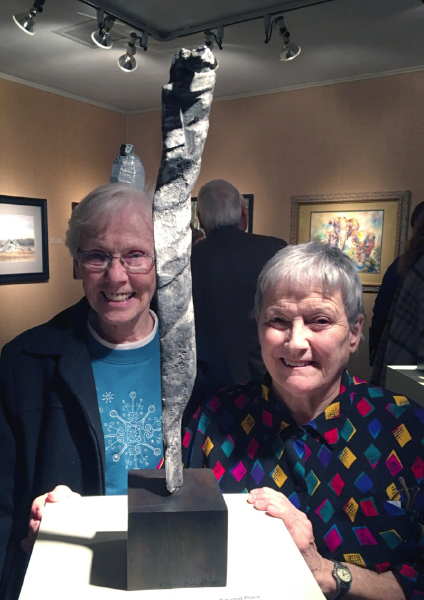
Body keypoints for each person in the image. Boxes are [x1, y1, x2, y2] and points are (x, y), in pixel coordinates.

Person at [184, 241, 424, 599]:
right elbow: (178, 539)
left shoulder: (405, 428)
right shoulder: (214, 420)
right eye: (278, 320)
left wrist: (325, 572)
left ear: (355, 333)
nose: (295, 342)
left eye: (320, 321)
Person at [0, 183, 164, 599]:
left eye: (135, 255)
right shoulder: (26, 362)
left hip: (173, 568)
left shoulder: (204, 364)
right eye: (97, 256)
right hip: (67, 577)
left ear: (161, 260)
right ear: (76, 264)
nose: (116, 275)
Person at [191, 179, 287, 384]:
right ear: (244, 212)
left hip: (205, 382)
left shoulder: (188, 259)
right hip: (266, 378)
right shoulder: (275, 251)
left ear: (200, 218)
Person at [369, 201, 424, 367]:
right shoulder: (405, 266)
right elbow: (382, 310)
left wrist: (375, 349)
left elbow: (381, 311)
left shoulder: (405, 265)